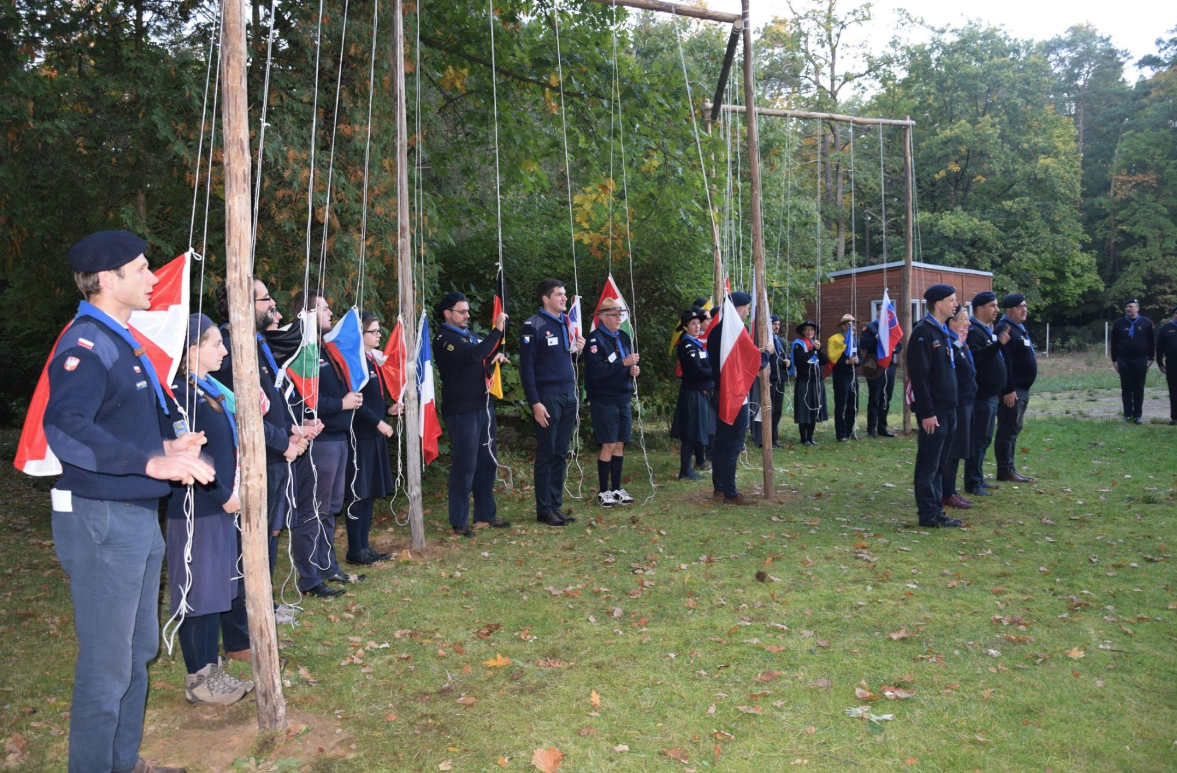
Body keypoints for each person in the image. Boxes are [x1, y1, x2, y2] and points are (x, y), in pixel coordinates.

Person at [44, 230, 214, 773]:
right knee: (106, 665)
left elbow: (115, 427)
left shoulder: (122, 341)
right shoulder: (87, 343)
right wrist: (150, 462)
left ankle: (123, 762)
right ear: (105, 280)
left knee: (138, 652)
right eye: (140, 269)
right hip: (101, 520)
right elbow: (66, 428)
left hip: (135, 515)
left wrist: (166, 447)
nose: (151, 278)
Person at [211, 279, 314, 660]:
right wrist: (282, 441)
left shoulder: (254, 343)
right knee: (245, 549)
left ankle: (260, 619)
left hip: (271, 457)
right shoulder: (225, 348)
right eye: (265, 298)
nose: (274, 303)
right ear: (241, 303)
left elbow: (270, 398)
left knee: (267, 541)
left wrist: (293, 428)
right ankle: (240, 639)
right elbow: (241, 411)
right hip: (249, 462)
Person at [164, 314, 255, 706]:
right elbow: (189, 455)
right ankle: (197, 679)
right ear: (191, 350)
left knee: (215, 591)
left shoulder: (208, 390)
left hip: (215, 505)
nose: (223, 350)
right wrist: (221, 493)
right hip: (196, 507)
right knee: (196, 594)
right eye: (215, 343)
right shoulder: (181, 393)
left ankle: (209, 667)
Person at [290, 289, 362, 597]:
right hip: (318, 441)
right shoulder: (300, 349)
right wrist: (341, 404)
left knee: (330, 508)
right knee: (313, 509)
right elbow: (305, 397)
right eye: (324, 309)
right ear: (305, 315)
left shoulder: (325, 347)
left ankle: (327, 563)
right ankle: (310, 575)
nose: (331, 313)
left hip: (338, 438)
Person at [433, 291, 511, 536]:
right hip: (462, 410)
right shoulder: (444, 338)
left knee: (487, 461)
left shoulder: (471, 336)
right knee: (465, 465)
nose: (467, 314)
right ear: (448, 313)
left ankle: (486, 514)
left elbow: (480, 362)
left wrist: (494, 360)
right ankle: (459, 520)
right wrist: (497, 331)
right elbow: (472, 356)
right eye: (462, 311)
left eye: (467, 310)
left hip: (483, 405)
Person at [519, 278, 585, 526]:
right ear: (545, 298)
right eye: (559, 294)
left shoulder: (566, 323)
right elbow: (526, 369)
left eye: (564, 294)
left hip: (568, 395)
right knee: (547, 453)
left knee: (560, 453)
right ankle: (543, 509)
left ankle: (555, 506)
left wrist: (578, 349)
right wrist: (535, 402)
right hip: (547, 397)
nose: (564, 298)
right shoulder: (533, 325)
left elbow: (565, 359)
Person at [342, 312, 401, 559]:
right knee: (358, 491)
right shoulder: (353, 360)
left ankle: (364, 546)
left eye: (378, 331)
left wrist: (388, 410)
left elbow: (374, 398)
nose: (379, 335)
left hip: (373, 433)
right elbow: (356, 400)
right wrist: (378, 422)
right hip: (361, 434)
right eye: (373, 331)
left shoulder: (371, 360)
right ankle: (355, 548)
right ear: (360, 335)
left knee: (368, 492)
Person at [906, 283, 962, 529]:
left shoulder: (942, 331)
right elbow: (920, 377)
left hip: (949, 409)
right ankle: (928, 514)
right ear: (938, 304)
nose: (956, 304)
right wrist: (927, 412)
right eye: (951, 300)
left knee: (940, 463)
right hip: (934, 412)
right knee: (928, 464)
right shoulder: (923, 332)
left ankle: (937, 511)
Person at [707, 292, 766, 505]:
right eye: (747, 308)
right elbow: (754, 363)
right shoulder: (733, 332)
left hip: (721, 391)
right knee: (732, 445)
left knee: (722, 444)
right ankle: (730, 493)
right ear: (739, 307)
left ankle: (719, 488)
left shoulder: (716, 331)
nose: (748, 312)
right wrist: (766, 353)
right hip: (734, 394)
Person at [584, 297, 639, 506]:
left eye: (620, 315)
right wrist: (623, 364)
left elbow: (624, 365)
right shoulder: (595, 340)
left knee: (620, 443)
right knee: (608, 443)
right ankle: (603, 491)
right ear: (603, 317)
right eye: (615, 315)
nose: (619, 319)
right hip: (604, 398)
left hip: (623, 396)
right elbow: (597, 372)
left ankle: (617, 488)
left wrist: (632, 370)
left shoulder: (623, 337)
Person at [963, 291, 1010, 497]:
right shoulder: (974, 330)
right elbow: (976, 358)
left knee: (985, 439)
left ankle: (979, 477)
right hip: (981, 396)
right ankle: (973, 482)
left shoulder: (986, 330)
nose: (997, 310)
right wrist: (998, 344)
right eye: (993, 306)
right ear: (981, 308)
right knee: (978, 440)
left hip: (991, 395)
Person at [994, 293, 1037, 483]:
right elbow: (1005, 363)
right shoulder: (1006, 329)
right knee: (1007, 429)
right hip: (1013, 390)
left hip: (1022, 388)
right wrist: (1008, 389)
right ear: (1010, 309)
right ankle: (1005, 470)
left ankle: (1009, 467)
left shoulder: (1018, 328)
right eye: (1020, 307)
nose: (1024, 310)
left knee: (1014, 428)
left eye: (1025, 306)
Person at [940, 306, 977, 511]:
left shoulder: (959, 342)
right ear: (952, 323)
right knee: (952, 451)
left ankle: (951, 490)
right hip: (958, 403)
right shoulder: (951, 342)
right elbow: (950, 360)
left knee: (960, 449)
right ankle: (946, 493)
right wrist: (959, 342)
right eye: (963, 319)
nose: (968, 323)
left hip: (966, 402)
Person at [673, 309, 712, 480]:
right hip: (692, 394)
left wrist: (709, 371)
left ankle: (690, 467)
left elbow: (704, 367)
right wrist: (714, 371)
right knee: (690, 432)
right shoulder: (687, 345)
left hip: (699, 392)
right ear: (685, 327)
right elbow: (697, 370)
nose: (697, 326)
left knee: (696, 431)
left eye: (698, 323)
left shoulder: (696, 344)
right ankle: (685, 470)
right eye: (693, 323)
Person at [1110, 299, 1155, 424]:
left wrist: (1151, 358)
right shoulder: (1119, 323)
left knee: (1138, 388)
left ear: (1137, 308)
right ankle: (1127, 414)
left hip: (1141, 359)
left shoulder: (1146, 322)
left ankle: (1138, 415)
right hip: (1123, 359)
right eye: (1126, 307)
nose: (1128, 309)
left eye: (1131, 306)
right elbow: (1113, 343)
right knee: (1126, 388)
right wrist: (1114, 360)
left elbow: (1151, 342)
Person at [858, 315, 900, 437]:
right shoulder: (870, 327)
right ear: (877, 313)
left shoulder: (891, 328)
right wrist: (875, 339)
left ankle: (882, 427)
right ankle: (871, 428)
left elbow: (899, 346)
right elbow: (863, 344)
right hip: (875, 366)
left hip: (889, 366)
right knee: (874, 398)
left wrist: (891, 347)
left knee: (886, 397)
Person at [792, 320, 828, 446]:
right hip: (804, 381)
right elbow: (801, 362)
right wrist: (813, 350)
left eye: (812, 329)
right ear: (802, 331)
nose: (809, 332)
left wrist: (820, 349)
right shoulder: (798, 345)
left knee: (814, 408)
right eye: (807, 329)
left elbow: (824, 361)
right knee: (804, 409)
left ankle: (810, 437)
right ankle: (803, 438)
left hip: (816, 381)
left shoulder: (815, 344)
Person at [828, 313, 861, 441]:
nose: (853, 327)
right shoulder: (834, 340)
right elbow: (832, 360)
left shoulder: (855, 340)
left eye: (854, 324)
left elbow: (861, 359)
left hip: (853, 376)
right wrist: (847, 362)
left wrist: (857, 360)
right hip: (841, 376)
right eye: (850, 324)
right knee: (841, 404)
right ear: (843, 326)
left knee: (854, 404)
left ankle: (849, 430)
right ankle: (841, 433)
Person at [767, 315, 791, 448]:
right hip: (770, 379)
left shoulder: (780, 341)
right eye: (774, 324)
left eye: (778, 324)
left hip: (780, 378)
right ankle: (767, 439)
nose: (777, 327)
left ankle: (774, 438)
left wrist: (787, 363)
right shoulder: (766, 340)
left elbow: (784, 357)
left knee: (777, 410)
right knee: (770, 410)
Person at [1157, 304, 1177, 425]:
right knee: (1174, 391)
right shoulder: (1166, 328)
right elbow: (1159, 347)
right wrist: (1159, 362)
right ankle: (1175, 418)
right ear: (1174, 315)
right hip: (1172, 364)